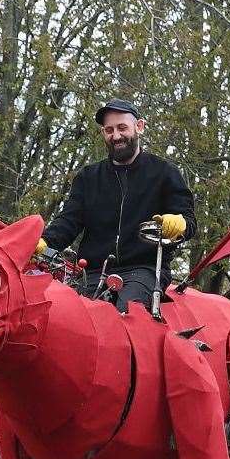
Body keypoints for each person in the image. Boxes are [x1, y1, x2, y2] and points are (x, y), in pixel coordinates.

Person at [40, 99, 194, 312]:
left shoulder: (164, 173)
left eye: (122, 128)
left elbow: (188, 219)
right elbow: (68, 221)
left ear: (139, 127)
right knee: (66, 318)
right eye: (109, 130)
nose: (116, 136)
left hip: (143, 271)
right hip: (91, 273)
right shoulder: (88, 177)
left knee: (123, 317)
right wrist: (42, 242)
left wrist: (180, 224)